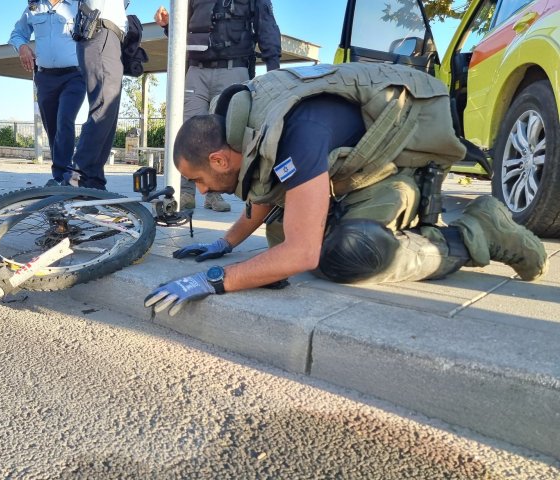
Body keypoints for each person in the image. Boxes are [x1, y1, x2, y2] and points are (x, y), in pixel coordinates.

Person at [144, 62, 548, 316]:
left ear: (218, 159)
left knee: (348, 254)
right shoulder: (249, 124)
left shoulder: (296, 132)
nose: (196, 188)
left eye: (196, 179)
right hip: (356, 175)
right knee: (280, 234)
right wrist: (226, 243)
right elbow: (269, 188)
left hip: (399, 175)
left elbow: (302, 254)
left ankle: (477, 231)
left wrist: (214, 279)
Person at [154, 0, 281, 212]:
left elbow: (267, 27)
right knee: (185, 129)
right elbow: (181, 31)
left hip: (233, 69)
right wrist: (168, 25)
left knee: (224, 134)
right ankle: (184, 191)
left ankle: (214, 193)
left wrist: (274, 71)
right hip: (196, 70)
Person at [9, 0, 86, 187]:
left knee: (64, 119)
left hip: (75, 75)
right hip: (45, 78)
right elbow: (17, 33)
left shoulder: (79, 5)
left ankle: (63, 177)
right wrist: (22, 47)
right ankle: (65, 176)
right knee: (52, 127)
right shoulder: (34, 7)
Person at [71, 0, 131, 190]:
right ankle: (78, 180)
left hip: (108, 36)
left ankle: (93, 183)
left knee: (108, 112)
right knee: (104, 107)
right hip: (101, 31)